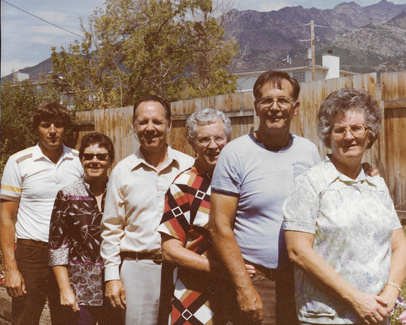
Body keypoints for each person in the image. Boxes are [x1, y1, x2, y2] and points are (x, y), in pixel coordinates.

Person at [283, 88, 406, 324]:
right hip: (328, 317)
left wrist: (391, 292)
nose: (349, 136)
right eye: (340, 130)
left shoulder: (376, 184)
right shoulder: (310, 183)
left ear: (369, 134)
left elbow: (399, 245)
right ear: (328, 136)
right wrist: (356, 299)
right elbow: (298, 251)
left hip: (376, 314)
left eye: (357, 128)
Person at [208, 70, 321, 325]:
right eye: (267, 100)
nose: (275, 107)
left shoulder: (309, 151)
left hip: (304, 281)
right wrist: (245, 288)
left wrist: (366, 172)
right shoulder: (235, 154)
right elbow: (218, 226)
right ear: (256, 107)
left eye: (283, 100)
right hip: (259, 282)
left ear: (296, 108)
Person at [100, 95, 194, 324]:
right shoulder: (122, 172)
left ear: (169, 125)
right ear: (134, 126)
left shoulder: (189, 167)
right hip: (138, 269)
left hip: (185, 271)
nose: (150, 128)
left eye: (157, 122)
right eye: (143, 122)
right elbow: (111, 229)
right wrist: (112, 278)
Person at [158, 108, 256, 324]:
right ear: (193, 143)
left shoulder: (244, 179)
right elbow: (170, 251)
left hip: (244, 291)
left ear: (228, 139)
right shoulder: (183, 185)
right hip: (196, 295)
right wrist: (223, 269)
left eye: (219, 137)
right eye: (204, 139)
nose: (213, 145)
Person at [0, 102, 83, 325]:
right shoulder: (18, 162)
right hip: (31, 254)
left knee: (67, 319)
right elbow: (6, 218)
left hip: (68, 254)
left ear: (66, 128)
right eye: (46, 125)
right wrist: (11, 269)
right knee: (24, 320)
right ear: (37, 128)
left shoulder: (79, 161)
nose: (53, 131)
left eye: (59, 125)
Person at [49, 132, 123, 325]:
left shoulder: (121, 193)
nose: (94, 161)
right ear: (81, 159)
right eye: (88, 156)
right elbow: (57, 248)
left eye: (101, 156)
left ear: (111, 160)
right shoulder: (67, 195)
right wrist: (65, 290)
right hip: (80, 290)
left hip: (117, 287)